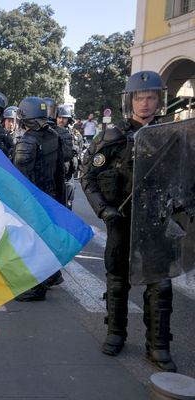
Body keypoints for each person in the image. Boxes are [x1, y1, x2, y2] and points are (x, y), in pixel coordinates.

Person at [81, 71, 176, 372]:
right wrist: (103, 210)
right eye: (139, 97)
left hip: (157, 222)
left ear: (159, 100)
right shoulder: (111, 137)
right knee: (118, 280)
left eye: (150, 97)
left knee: (160, 284)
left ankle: (158, 345)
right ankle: (116, 332)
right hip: (120, 219)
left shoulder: (172, 136)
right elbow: (88, 177)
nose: (145, 103)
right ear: (129, 100)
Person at [13, 96, 65, 301]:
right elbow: (60, 171)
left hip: (33, 200)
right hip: (50, 195)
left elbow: (18, 179)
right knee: (46, 238)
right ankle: (53, 275)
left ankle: (35, 287)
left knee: (31, 242)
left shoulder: (27, 142)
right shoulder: (53, 135)